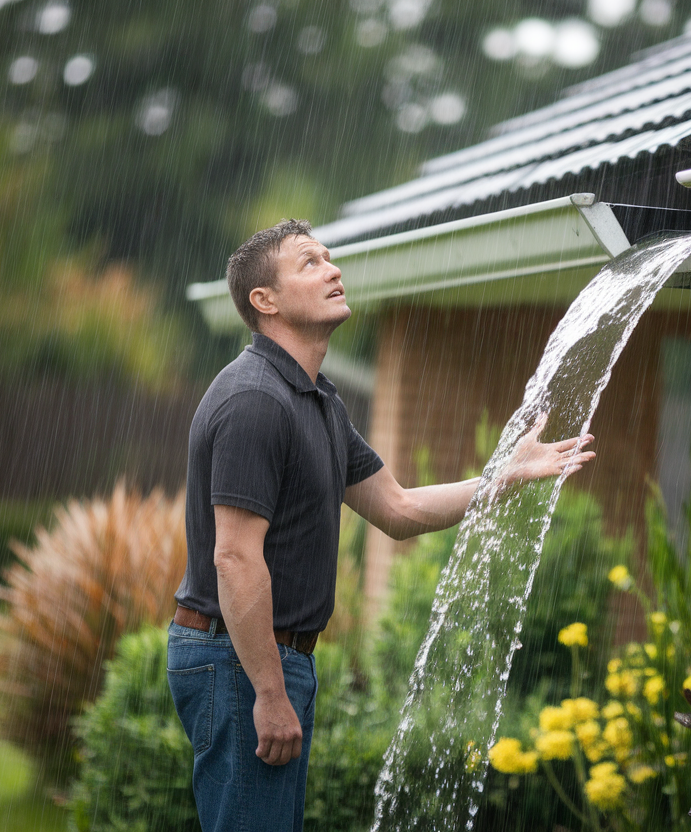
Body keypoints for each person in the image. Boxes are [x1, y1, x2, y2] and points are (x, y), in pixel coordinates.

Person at [167, 219, 595, 831]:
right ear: (265, 301)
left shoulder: (317, 401)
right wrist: (266, 690)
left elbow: (398, 510)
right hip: (239, 656)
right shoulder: (254, 401)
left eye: (329, 258)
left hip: (266, 656)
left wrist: (506, 474)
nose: (333, 270)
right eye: (309, 263)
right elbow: (234, 558)